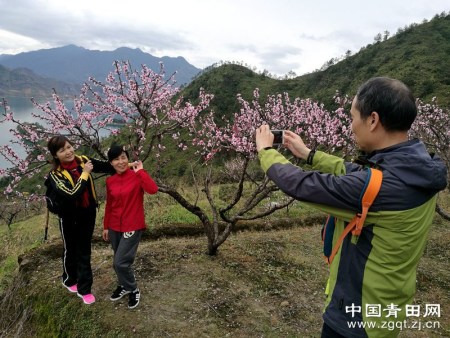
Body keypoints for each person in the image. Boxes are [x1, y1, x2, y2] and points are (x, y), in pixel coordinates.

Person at [255, 77, 447, 337]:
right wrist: (309, 154)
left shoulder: (379, 187)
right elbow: (359, 173)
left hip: (356, 317)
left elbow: (302, 185)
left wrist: (266, 151)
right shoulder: (418, 166)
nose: (351, 125)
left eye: (353, 116)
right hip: (388, 302)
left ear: (373, 120)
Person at [47, 135, 113, 305]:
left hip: (87, 214)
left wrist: (126, 165)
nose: (68, 152)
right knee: (70, 249)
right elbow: (71, 193)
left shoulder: (83, 160)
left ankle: (84, 289)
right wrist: (85, 174)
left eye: (69, 147)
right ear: (55, 155)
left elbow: (107, 167)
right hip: (69, 217)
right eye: (62, 150)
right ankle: (69, 280)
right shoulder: (55, 176)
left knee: (83, 250)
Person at [102, 145, 158, 309]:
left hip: (132, 225)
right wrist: (106, 226)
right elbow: (109, 205)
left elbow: (153, 190)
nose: (120, 162)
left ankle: (133, 289)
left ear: (128, 159)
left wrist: (140, 171)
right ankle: (123, 285)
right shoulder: (110, 181)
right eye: (116, 159)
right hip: (114, 227)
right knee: (117, 261)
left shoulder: (137, 176)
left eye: (123, 158)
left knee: (121, 263)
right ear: (111, 163)